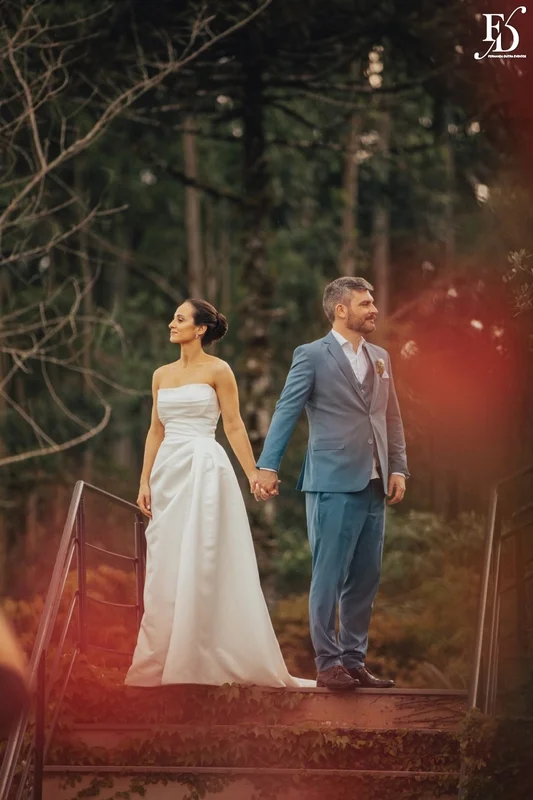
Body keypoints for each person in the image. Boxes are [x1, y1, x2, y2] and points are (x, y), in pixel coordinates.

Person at [125, 298, 314, 689]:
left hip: (204, 467)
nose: (171, 323)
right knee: (165, 560)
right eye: (173, 317)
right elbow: (155, 431)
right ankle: (159, 658)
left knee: (204, 556)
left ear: (200, 329)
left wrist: (253, 474)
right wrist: (144, 480)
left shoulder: (219, 370)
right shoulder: (160, 374)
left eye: (179, 319)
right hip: (167, 473)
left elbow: (234, 426)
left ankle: (200, 657)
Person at [254, 277, 409, 691]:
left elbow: (390, 418)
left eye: (373, 301)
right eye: (365, 302)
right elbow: (286, 411)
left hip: (375, 483)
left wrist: (398, 467)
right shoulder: (311, 355)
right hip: (332, 483)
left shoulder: (380, 357)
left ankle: (355, 661)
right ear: (341, 310)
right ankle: (328, 663)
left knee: (366, 576)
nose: (374, 308)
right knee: (329, 575)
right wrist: (266, 467)